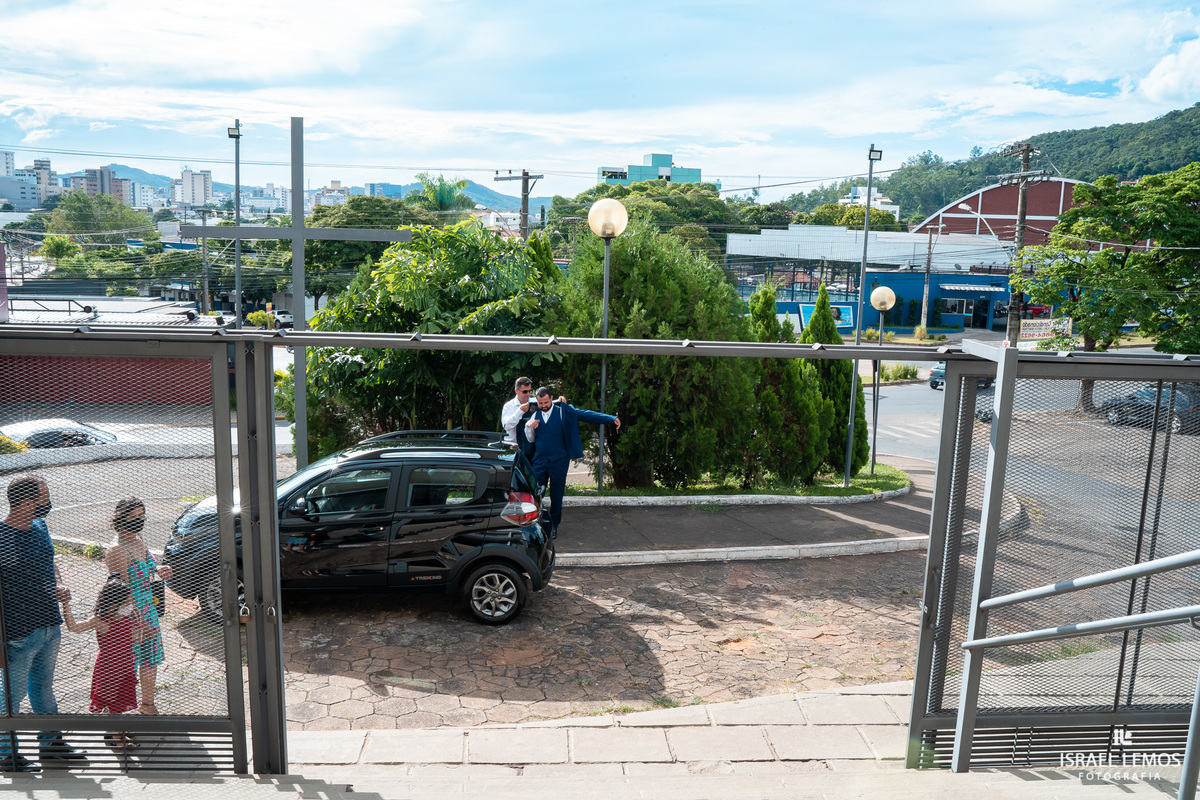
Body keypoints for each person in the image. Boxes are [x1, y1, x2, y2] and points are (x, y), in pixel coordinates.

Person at [0, 474, 83, 772]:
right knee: (11, 694)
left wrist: (60, 584)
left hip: (49, 624)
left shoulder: (40, 526)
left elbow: (51, 563)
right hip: (19, 633)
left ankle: (51, 746)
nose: (48, 503)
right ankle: (5, 754)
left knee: (44, 686)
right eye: (44, 498)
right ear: (25, 503)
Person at [521, 387, 620, 536]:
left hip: (559, 461)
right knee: (536, 493)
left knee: (557, 495)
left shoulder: (563, 411)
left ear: (551, 398)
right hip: (540, 461)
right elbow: (531, 439)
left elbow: (586, 415)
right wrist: (528, 427)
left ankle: (554, 526)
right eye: (540, 402)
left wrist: (610, 419)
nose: (543, 405)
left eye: (546, 402)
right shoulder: (534, 414)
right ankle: (536, 524)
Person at [105, 498, 172, 716]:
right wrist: (140, 623)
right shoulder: (116, 550)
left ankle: (148, 705)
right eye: (134, 516)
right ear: (120, 518)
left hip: (147, 608)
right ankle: (114, 718)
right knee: (125, 666)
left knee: (149, 660)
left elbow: (150, 567)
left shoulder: (139, 539)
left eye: (142, 515)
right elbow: (122, 593)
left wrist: (160, 569)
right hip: (128, 614)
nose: (140, 520)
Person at [61, 580, 141, 748]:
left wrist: (138, 623)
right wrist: (66, 604)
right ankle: (117, 738)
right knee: (113, 701)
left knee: (118, 700)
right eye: (126, 602)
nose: (130, 605)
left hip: (126, 666)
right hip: (109, 669)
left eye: (131, 601)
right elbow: (74, 628)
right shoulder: (101, 621)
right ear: (112, 605)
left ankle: (113, 731)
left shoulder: (127, 619)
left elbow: (135, 640)